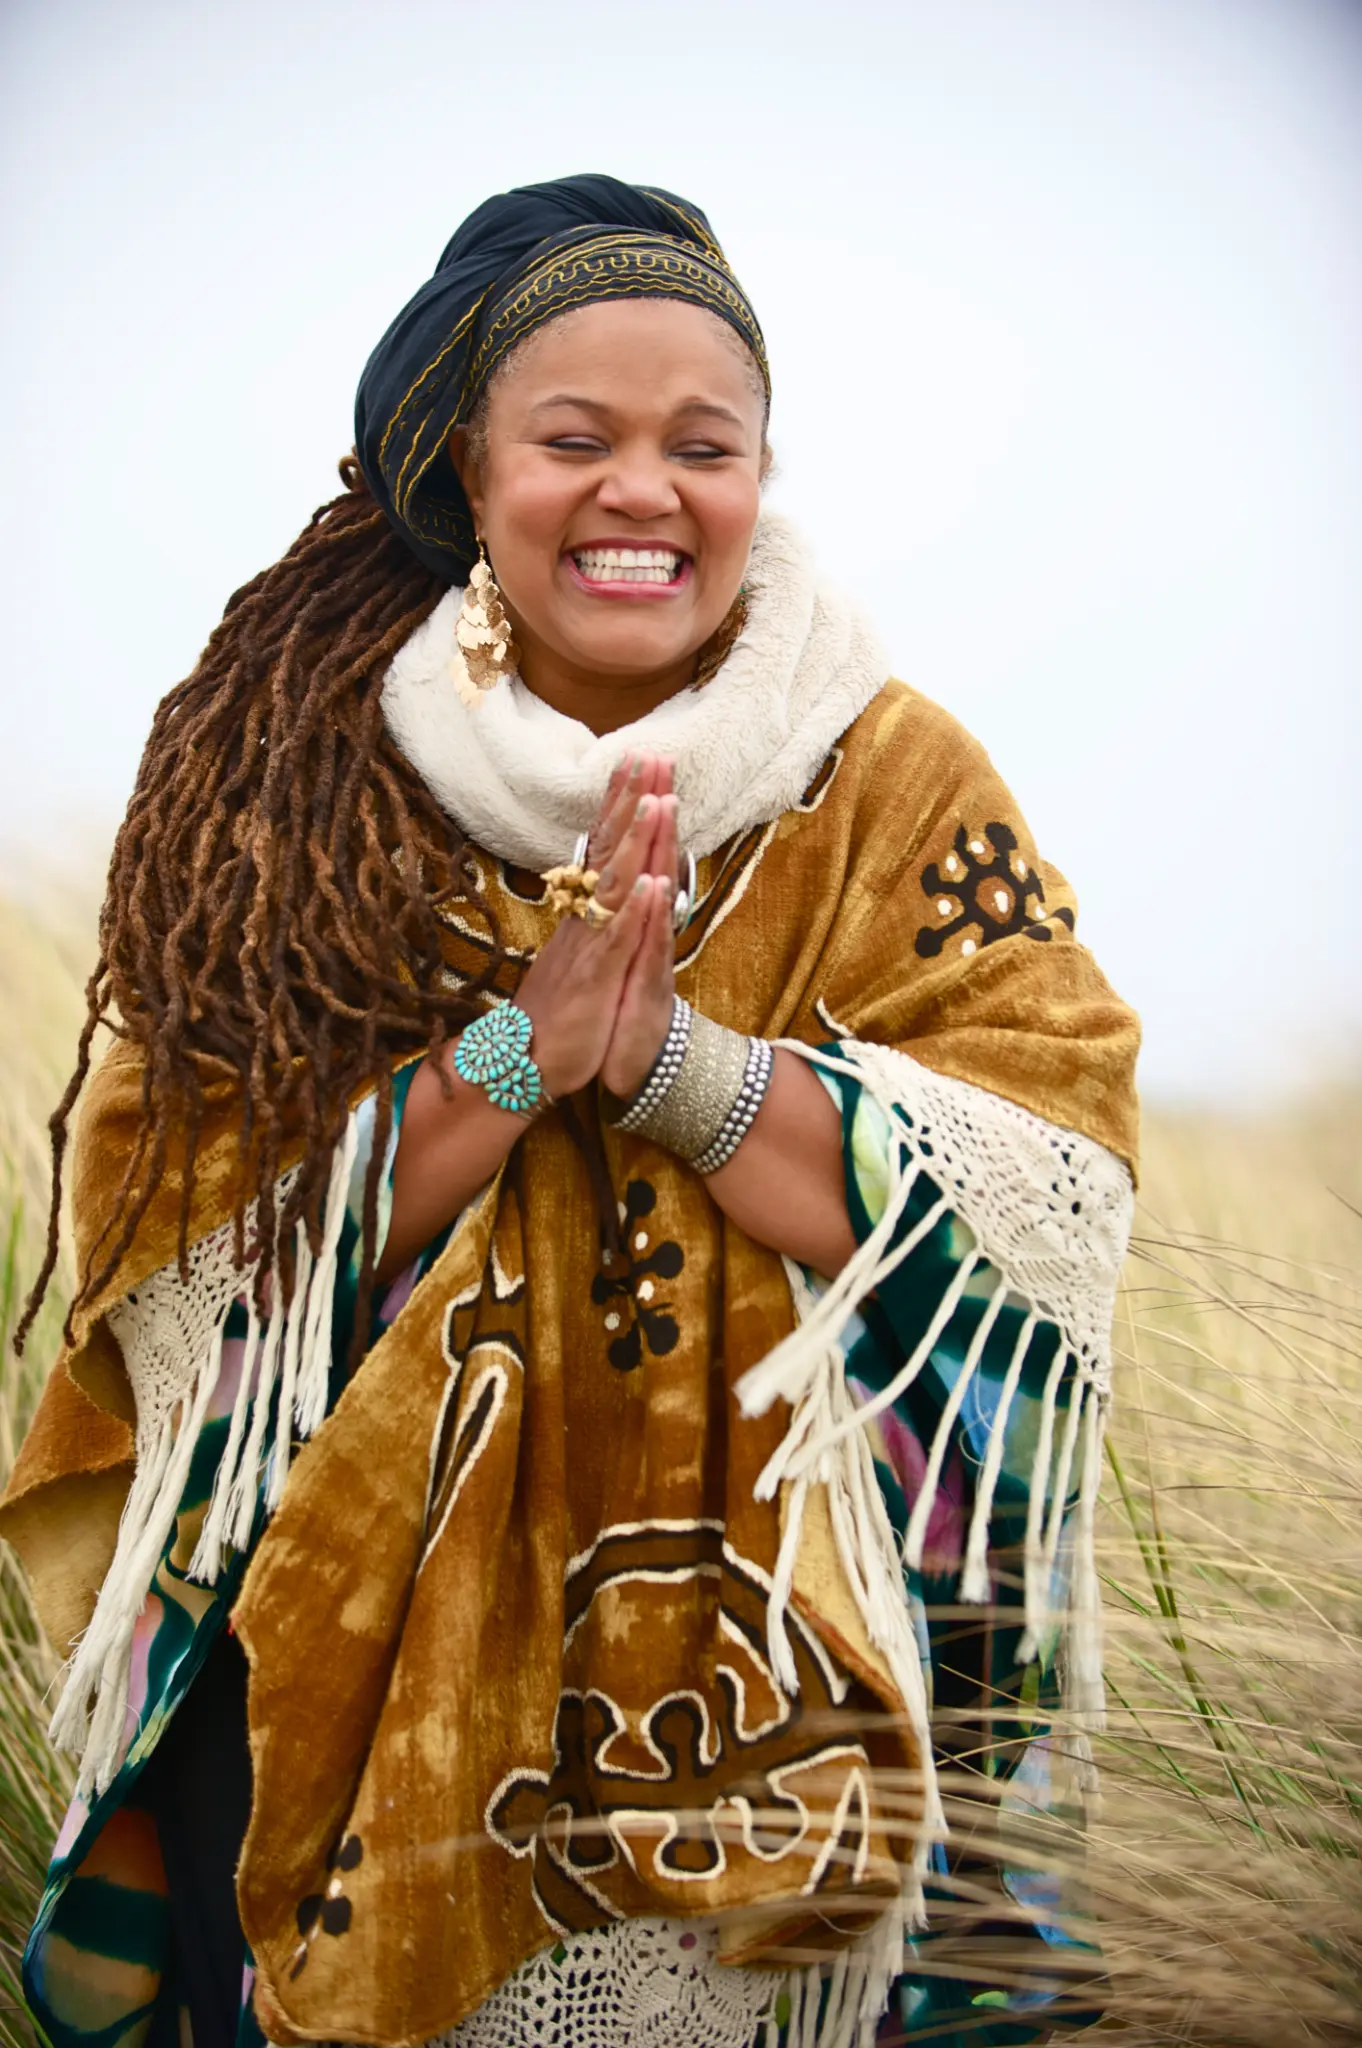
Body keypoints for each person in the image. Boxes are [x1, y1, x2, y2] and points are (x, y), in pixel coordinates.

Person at [0, 175, 1140, 2048]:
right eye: (574, 439)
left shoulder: (889, 770)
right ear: (467, 466)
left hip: (782, 1682)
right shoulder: (289, 776)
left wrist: (676, 1066)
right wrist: (520, 1055)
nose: (642, 492)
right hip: (338, 1636)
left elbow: (1048, 1184)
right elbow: (180, 1241)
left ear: (761, 472)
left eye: (703, 445)